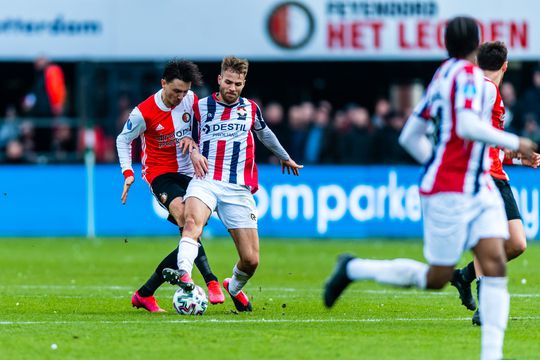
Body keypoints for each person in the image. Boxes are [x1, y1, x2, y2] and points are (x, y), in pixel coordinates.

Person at [323, 17, 537, 360]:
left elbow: (409, 135)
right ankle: (353, 268)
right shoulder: (468, 78)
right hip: (450, 190)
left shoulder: (442, 76)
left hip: (477, 184)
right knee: (437, 276)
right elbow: (467, 126)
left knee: (496, 261)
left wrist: (438, 162)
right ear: (474, 45)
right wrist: (518, 142)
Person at [162, 56, 303, 312]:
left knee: (250, 260)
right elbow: (186, 137)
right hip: (206, 180)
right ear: (219, 80)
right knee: (192, 223)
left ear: (243, 83)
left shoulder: (250, 108)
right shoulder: (200, 107)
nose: (232, 88)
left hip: (238, 188)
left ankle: (234, 287)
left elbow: (264, 133)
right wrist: (193, 150)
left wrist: (285, 156)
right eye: (228, 82)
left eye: (238, 84)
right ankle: (184, 275)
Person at [116, 59, 224, 313]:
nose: (180, 97)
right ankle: (211, 281)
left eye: (184, 91)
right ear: (163, 83)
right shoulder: (143, 112)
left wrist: (194, 142)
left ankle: (145, 294)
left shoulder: (191, 101)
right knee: (188, 221)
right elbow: (123, 140)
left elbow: (204, 130)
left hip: (190, 173)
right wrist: (128, 172)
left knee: (190, 230)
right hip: (160, 174)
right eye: (176, 91)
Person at [450, 41, 540, 325]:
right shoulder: (487, 89)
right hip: (485, 177)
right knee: (509, 242)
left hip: (497, 173)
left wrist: (514, 157)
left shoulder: (484, 90)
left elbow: (487, 141)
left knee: (515, 243)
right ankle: (485, 305)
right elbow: (472, 133)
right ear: (506, 65)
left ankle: (465, 276)